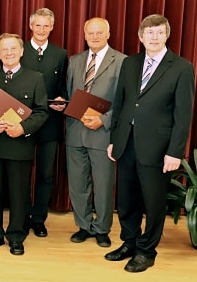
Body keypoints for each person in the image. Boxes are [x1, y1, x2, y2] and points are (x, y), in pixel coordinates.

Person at [105, 14, 195, 273]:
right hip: (126, 144)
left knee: (153, 203)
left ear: (166, 36)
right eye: (149, 33)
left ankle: (146, 251)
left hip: (158, 150)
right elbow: (121, 103)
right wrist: (114, 139)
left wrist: (175, 152)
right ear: (140, 36)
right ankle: (129, 243)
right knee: (125, 200)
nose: (154, 37)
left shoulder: (181, 67)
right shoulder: (130, 63)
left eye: (159, 33)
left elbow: (183, 115)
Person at [0, 33, 48, 255]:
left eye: (13, 49)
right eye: (4, 50)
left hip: (20, 147)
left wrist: (23, 128)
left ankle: (16, 236)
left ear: (22, 51)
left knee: (18, 194)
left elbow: (42, 111)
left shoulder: (35, 78)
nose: (8, 53)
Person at [66, 18, 126, 247]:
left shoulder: (122, 61)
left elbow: (124, 101)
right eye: (90, 33)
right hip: (75, 131)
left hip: (103, 133)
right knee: (78, 183)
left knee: (102, 185)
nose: (95, 36)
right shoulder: (75, 60)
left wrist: (104, 120)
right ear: (84, 34)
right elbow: (72, 93)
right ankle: (83, 225)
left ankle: (102, 228)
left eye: (99, 32)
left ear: (108, 33)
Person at [20, 7, 68, 237]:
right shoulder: (18, 50)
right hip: (22, 122)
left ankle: (38, 219)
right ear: (30, 26)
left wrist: (62, 100)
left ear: (52, 27)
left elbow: (62, 89)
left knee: (45, 174)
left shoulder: (60, 54)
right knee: (21, 171)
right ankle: (21, 216)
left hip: (50, 122)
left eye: (46, 25)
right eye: (37, 25)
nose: (41, 29)